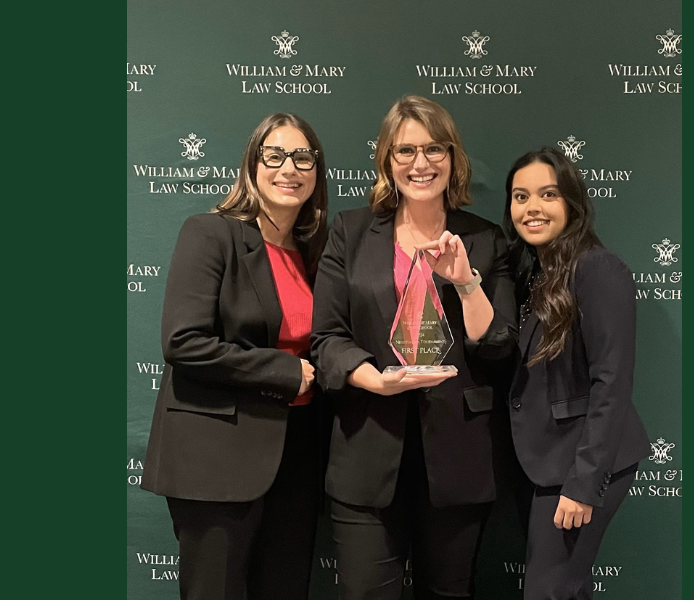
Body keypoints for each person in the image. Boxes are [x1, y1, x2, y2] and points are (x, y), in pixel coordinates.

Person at [311, 95, 517, 600]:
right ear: (386, 159)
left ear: (454, 158)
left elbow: (497, 349)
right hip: (366, 453)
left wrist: (467, 283)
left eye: (434, 149)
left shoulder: (487, 241)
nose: (420, 164)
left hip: (459, 459)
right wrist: (374, 380)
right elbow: (327, 338)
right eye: (405, 151)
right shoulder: (351, 232)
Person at [140, 113, 328, 600]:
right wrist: (285, 371)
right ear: (252, 164)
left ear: (317, 171)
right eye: (275, 155)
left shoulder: (316, 252)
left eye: (303, 157)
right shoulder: (210, 233)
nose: (290, 168)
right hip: (216, 459)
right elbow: (183, 341)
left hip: (298, 456)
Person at [503, 148, 650, 600]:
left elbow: (612, 383)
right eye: (520, 196)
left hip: (580, 467)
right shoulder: (537, 272)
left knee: (548, 592)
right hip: (544, 464)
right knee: (566, 589)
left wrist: (584, 484)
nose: (532, 207)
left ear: (572, 201)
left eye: (548, 194)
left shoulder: (598, 268)